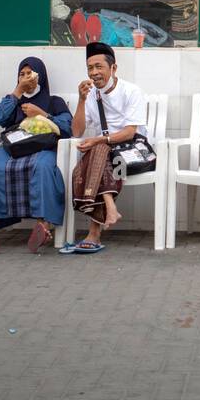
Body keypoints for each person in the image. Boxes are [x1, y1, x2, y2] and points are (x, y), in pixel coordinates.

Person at [0, 56, 72, 255]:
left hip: (42, 147)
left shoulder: (54, 102)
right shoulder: (13, 101)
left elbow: (67, 128)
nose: (26, 78)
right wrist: (18, 92)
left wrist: (42, 114)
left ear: (40, 76)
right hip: (13, 148)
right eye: (22, 75)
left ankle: (43, 227)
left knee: (43, 168)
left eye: (30, 74)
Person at [67, 41, 153, 253]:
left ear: (113, 69)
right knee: (98, 152)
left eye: (99, 67)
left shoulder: (131, 91)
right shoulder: (90, 95)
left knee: (97, 149)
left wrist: (97, 140)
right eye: (90, 68)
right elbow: (76, 132)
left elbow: (130, 132)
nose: (94, 72)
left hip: (135, 152)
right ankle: (109, 207)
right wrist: (80, 100)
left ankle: (94, 232)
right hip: (107, 156)